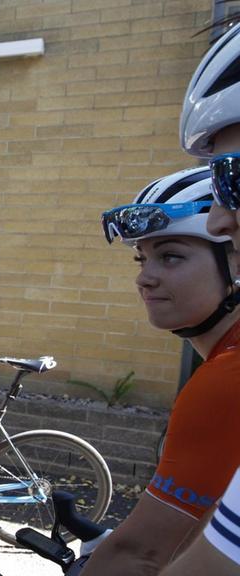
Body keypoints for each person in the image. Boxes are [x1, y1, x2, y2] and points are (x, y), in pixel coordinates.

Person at [78, 166, 240, 576]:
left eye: (170, 256)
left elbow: (139, 554)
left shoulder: (225, 379)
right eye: (142, 258)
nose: (144, 278)